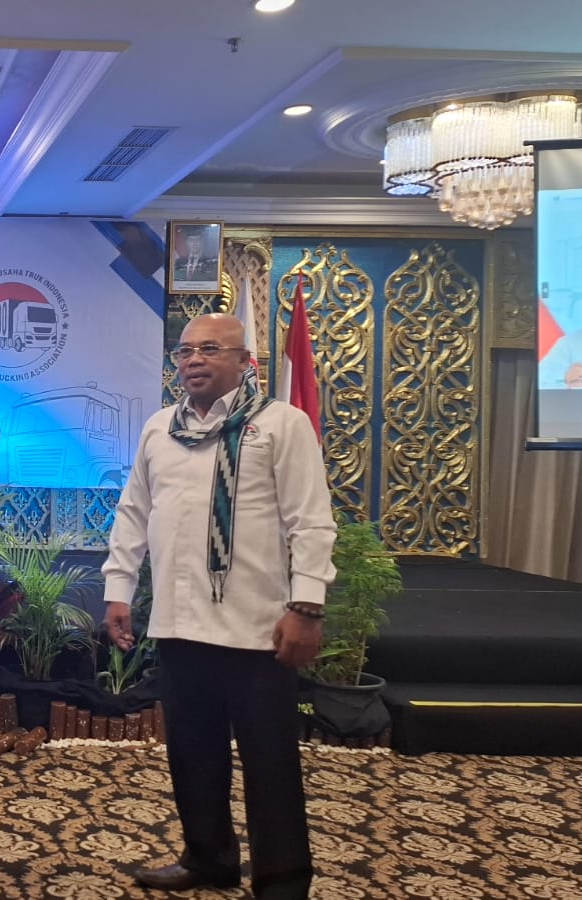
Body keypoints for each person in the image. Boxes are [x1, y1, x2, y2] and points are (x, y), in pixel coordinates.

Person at [101, 313, 334, 899]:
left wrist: (307, 607)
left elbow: (310, 522)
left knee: (270, 762)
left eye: (210, 349)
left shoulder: (281, 424)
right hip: (179, 623)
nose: (194, 360)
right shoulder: (161, 428)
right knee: (193, 753)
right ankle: (208, 859)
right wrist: (118, 589)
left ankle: (282, 881)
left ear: (244, 361)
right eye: (185, 352)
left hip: (257, 626)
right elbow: (134, 512)